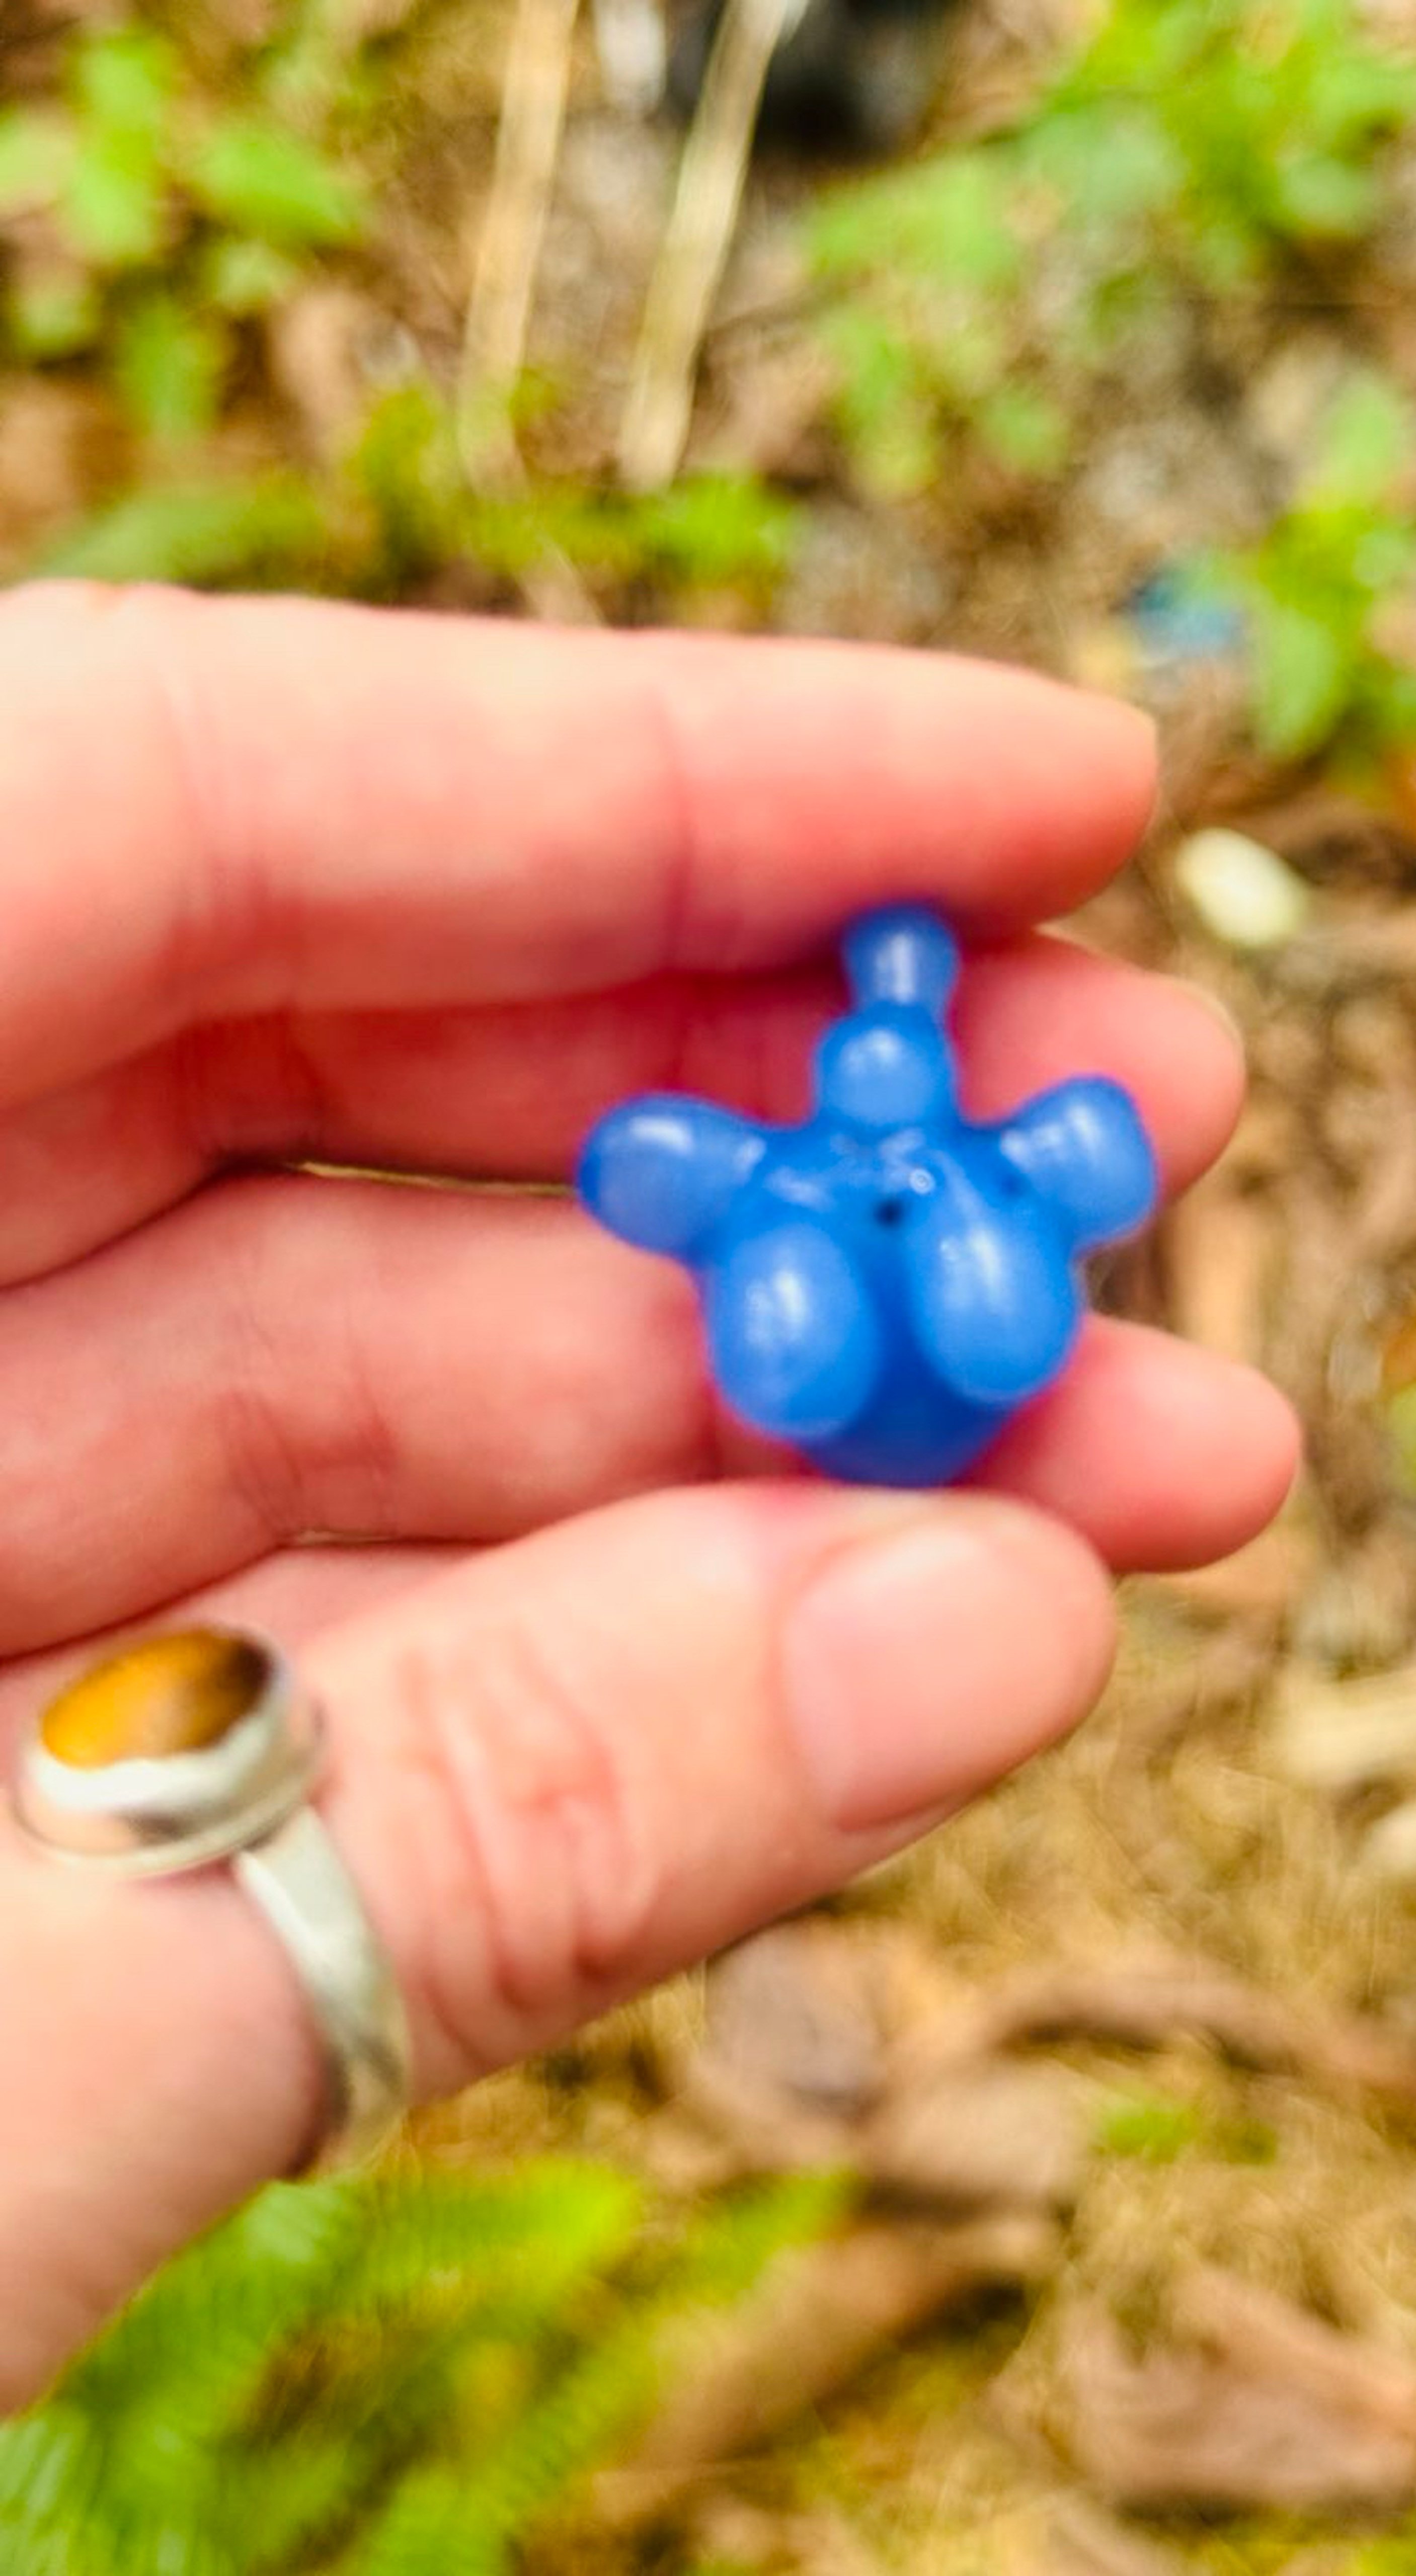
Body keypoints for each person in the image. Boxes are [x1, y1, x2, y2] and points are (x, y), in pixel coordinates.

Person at [0, 582, 1298, 2416]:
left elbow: (997, 1206)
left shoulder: (933, 1171)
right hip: (857, 1327)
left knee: (957, 1320)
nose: (881, 1092)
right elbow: (671, 1177)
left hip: (924, 1330)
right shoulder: (813, 1182)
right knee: (844, 1330)